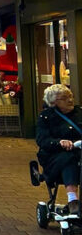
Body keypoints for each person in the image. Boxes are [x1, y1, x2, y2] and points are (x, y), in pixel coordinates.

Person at [36, 84, 82, 215]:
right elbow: (42, 140)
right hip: (54, 157)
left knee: (75, 158)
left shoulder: (79, 112)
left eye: (71, 96)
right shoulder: (46, 117)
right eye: (64, 98)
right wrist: (59, 142)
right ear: (53, 102)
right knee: (69, 159)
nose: (70, 100)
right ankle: (73, 200)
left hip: (79, 152)